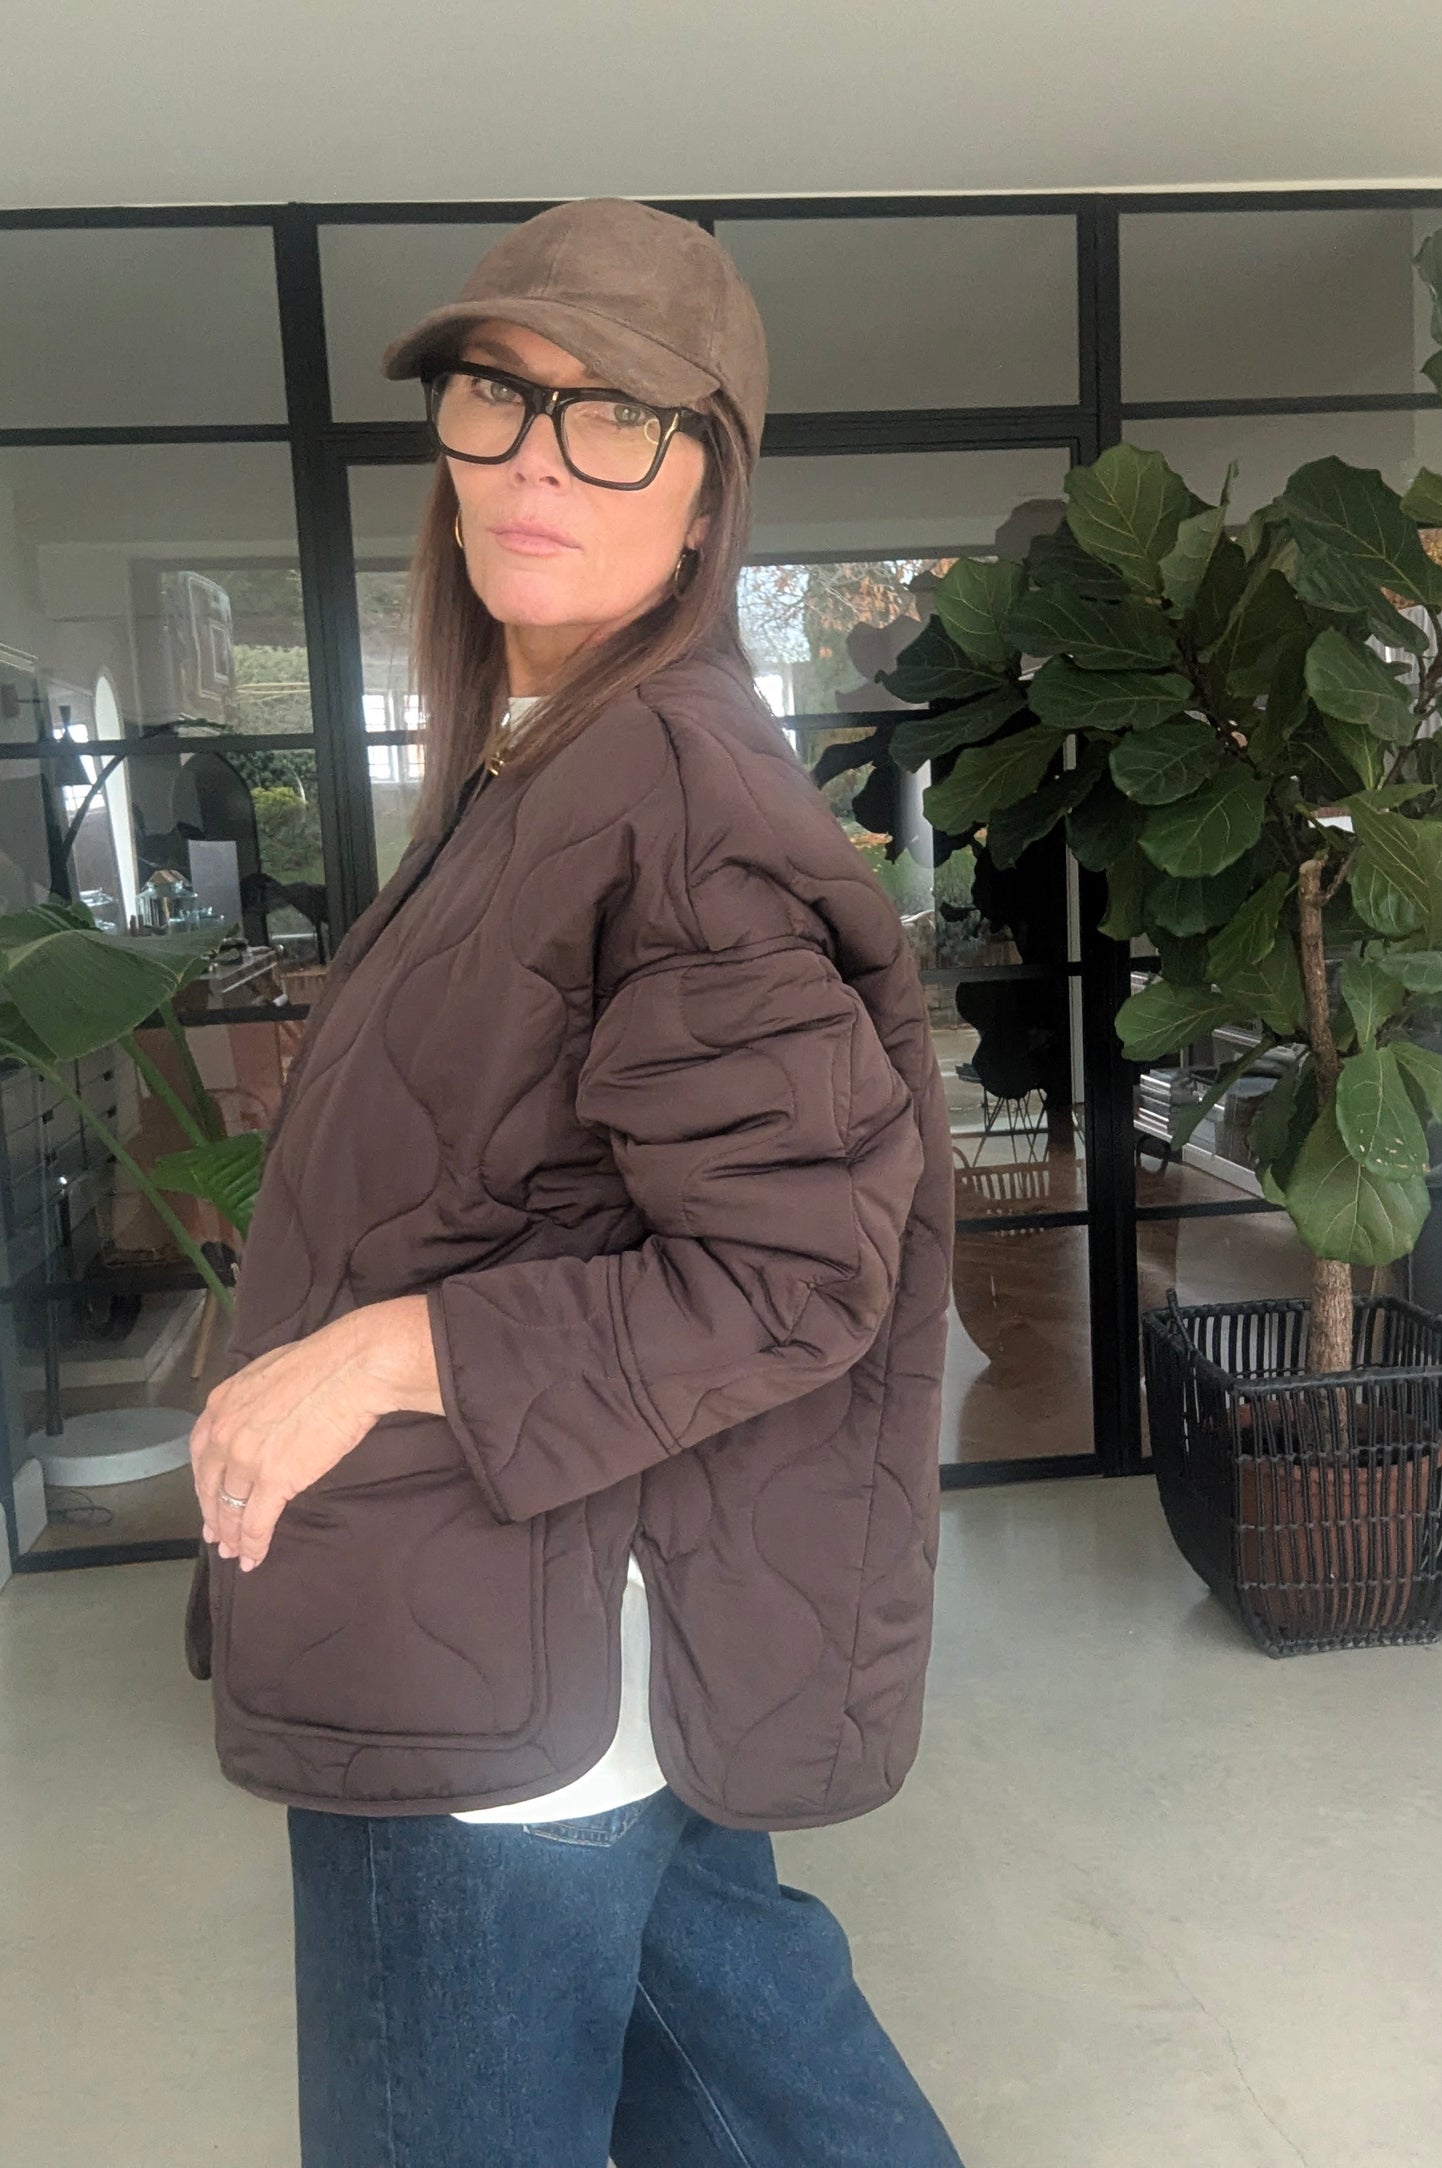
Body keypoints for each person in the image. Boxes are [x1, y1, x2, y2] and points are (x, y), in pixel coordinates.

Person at [183, 197, 962, 2168]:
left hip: (502, 1697)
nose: (536, 459)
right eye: (495, 400)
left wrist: (371, 1357)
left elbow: (792, 1272)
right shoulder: (545, 763)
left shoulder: (671, 798)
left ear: (708, 498)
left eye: (615, 418)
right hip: (537, 1648)